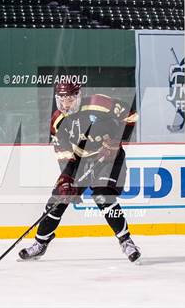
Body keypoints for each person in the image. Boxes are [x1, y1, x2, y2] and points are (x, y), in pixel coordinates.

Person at [19, 81, 141, 262]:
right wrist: (67, 178)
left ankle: (126, 242)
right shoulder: (57, 121)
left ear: (78, 95)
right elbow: (64, 154)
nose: (66, 104)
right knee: (57, 199)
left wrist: (117, 141)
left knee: (103, 195)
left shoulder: (98, 102)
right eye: (62, 99)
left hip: (109, 157)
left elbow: (131, 116)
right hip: (80, 162)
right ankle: (40, 243)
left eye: (69, 98)